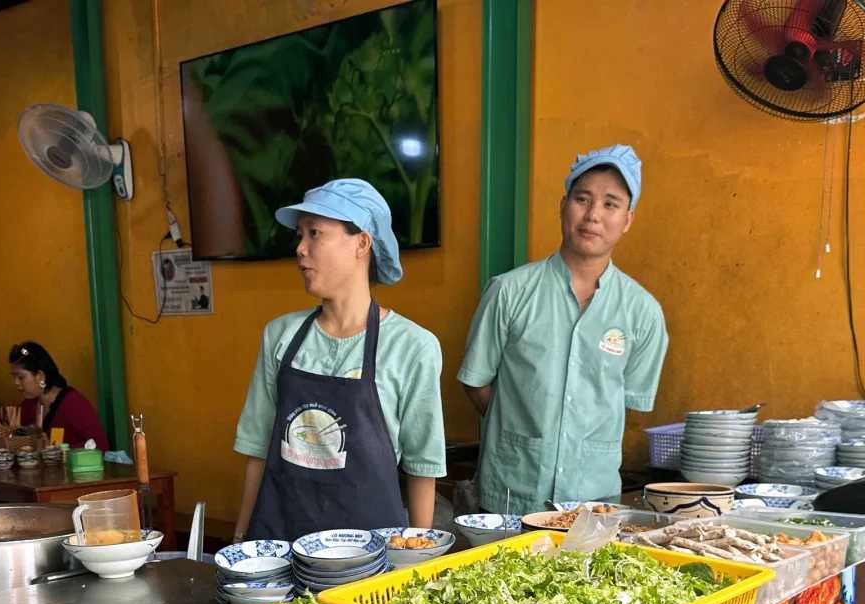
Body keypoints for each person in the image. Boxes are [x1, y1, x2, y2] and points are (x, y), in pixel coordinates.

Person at [458, 144, 669, 515]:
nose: (593, 215)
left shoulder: (643, 312)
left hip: (593, 503)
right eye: (582, 199)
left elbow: (625, 403)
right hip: (512, 493)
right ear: (563, 205)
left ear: (628, 219)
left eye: (610, 204)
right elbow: (476, 381)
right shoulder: (509, 291)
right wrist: (519, 430)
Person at [231, 178, 446, 541]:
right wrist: (240, 542)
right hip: (281, 545)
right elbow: (257, 450)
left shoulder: (413, 346)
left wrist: (415, 559)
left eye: (315, 233)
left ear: (362, 242)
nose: (300, 248)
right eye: (299, 235)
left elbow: (422, 468)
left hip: (370, 556)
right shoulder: (279, 335)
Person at [8, 342, 109, 449]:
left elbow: (100, 445)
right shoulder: (29, 405)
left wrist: (57, 449)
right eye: (13, 377)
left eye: (20, 377)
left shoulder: (73, 403)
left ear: (40, 376)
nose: (16, 383)